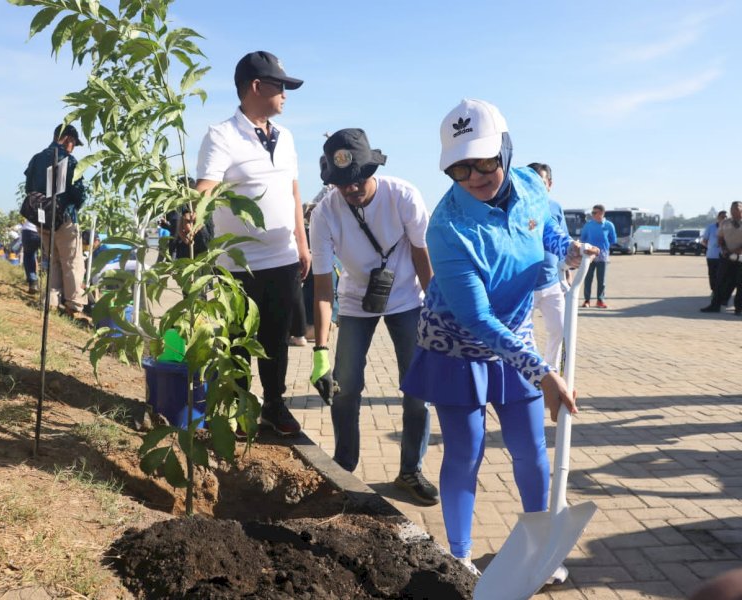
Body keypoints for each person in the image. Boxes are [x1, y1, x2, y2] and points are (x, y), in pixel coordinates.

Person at [400, 99, 595, 574]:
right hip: (457, 347)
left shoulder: (529, 183)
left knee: (530, 448)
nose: (476, 176)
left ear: (506, 150)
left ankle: (539, 548)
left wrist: (566, 248)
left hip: (517, 339)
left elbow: (543, 228)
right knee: (466, 451)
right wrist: (543, 371)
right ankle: (460, 556)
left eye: (485, 161)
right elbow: (477, 318)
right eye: (461, 168)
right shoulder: (447, 229)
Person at [308, 128, 438, 505]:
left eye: (358, 179)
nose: (351, 189)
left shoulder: (404, 196)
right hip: (353, 302)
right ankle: (344, 466)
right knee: (345, 388)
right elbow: (321, 286)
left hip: (407, 300)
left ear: (372, 168)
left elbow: (422, 258)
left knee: (417, 391)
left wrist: (436, 314)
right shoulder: (324, 213)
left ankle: (410, 470)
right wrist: (319, 350)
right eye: (341, 183)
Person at [195, 50, 310, 436]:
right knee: (238, 342)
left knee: (276, 340)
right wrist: (190, 218)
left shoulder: (287, 137)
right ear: (256, 87)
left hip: (283, 258)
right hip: (238, 265)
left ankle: (274, 406)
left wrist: (303, 244)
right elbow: (205, 189)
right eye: (281, 87)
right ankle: (240, 411)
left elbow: (294, 193)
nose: (286, 95)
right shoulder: (221, 135)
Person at [25, 124, 87, 318]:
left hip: (41, 217)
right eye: (74, 143)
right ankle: (74, 306)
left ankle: (50, 302)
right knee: (72, 262)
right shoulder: (69, 160)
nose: (73, 147)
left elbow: (29, 187)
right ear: (68, 139)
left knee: (52, 260)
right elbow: (79, 194)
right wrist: (72, 206)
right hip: (65, 217)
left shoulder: (36, 158)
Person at [528, 162, 567, 371]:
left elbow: (564, 242)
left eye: (541, 182)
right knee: (523, 333)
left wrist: (567, 273)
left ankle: (550, 369)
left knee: (559, 328)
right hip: (525, 286)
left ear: (549, 184)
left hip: (552, 282)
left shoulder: (555, 208)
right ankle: (533, 371)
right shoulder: (518, 207)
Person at [701, 201, 742, 315]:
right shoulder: (725, 223)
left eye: (737, 209)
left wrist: (735, 251)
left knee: (740, 284)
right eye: (732, 209)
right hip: (726, 258)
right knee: (720, 282)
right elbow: (720, 238)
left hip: (740, 259)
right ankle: (715, 305)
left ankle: (739, 308)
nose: (734, 211)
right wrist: (724, 250)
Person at [579, 204, 616, 308]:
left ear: (602, 213)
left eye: (595, 213)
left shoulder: (609, 225)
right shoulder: (588, 225)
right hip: (589, 256)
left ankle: (600, 300)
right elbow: (583, 238)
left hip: (603, 256)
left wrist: (604, 247)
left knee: (602, 280)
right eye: (592, 213)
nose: (593, 215)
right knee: (588, 279)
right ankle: (586, 301)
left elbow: (613, 239)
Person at [701, 210, 727, 294]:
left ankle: (720, 291)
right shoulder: (710, 227)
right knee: (712, 275)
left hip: (724, 256)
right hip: (712, 256)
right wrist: (711, 246)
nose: (724, 219)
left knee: (723, 275)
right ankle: (714, 290)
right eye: (722, 217)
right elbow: (704, 241)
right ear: (718, 218)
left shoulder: (730, 228)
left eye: (726, 217)